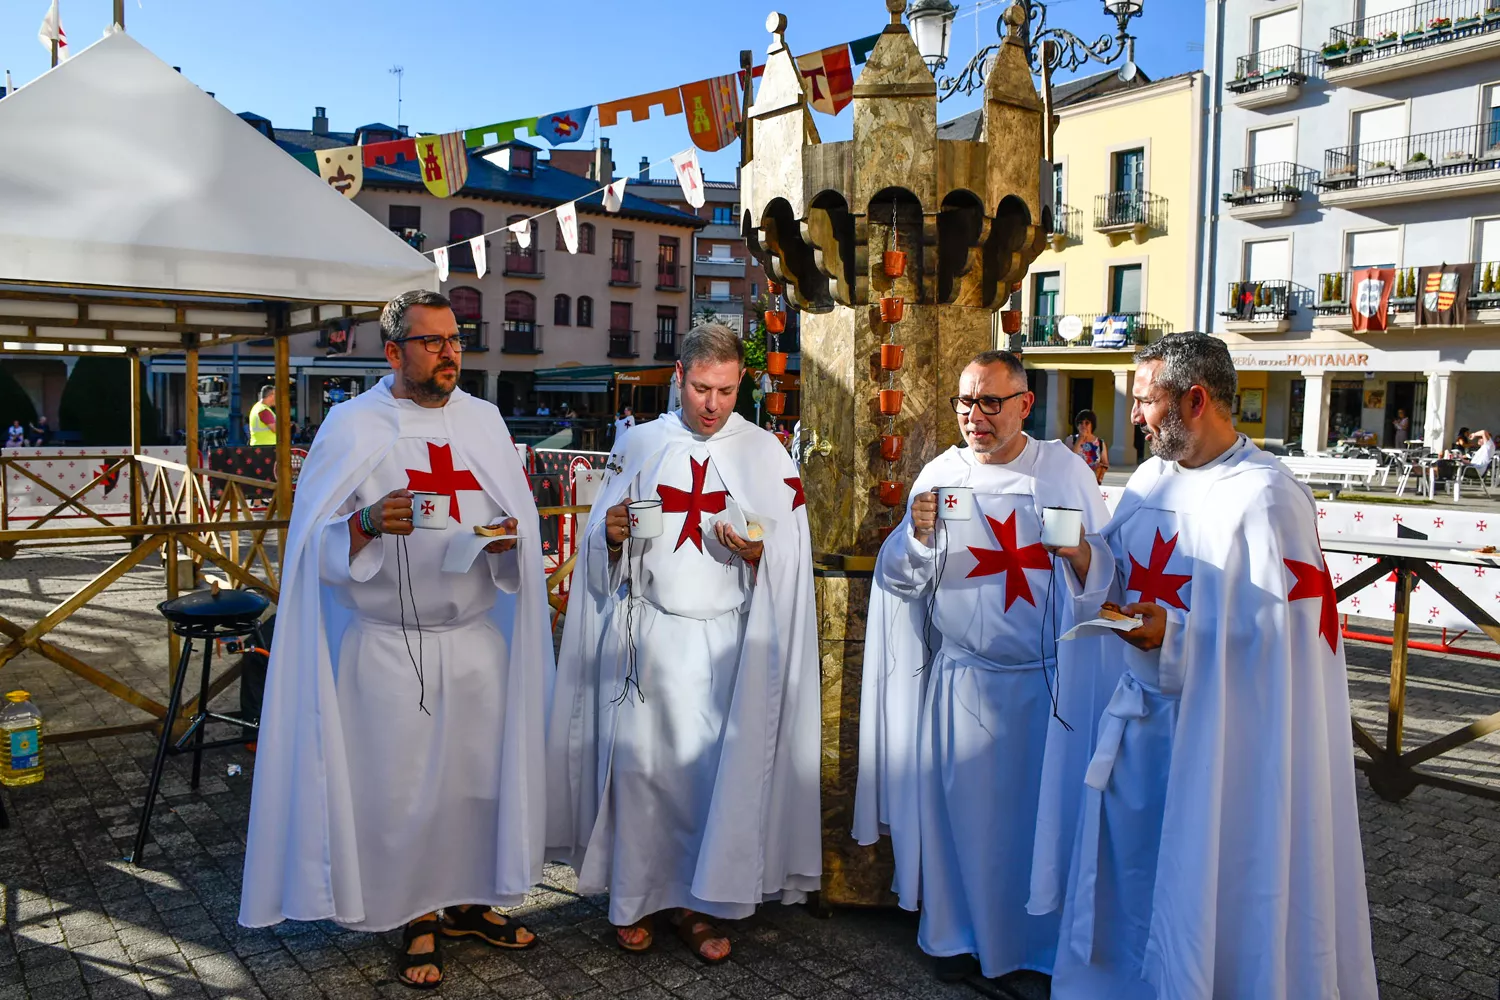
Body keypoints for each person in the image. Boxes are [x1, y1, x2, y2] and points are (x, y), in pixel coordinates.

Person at [1041, 333, 1377, 999]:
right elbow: (1121, 567)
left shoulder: (1266, 499)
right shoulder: (1150, 478)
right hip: (1140, 734)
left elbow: (1283, 644)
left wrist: (1180, 635)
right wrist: (1085, 558)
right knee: (1130, 878)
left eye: (1146, 400)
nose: (1135, 414)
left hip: (1222, 749)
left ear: (1195, 400)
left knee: (1202, 884)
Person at [240, 289, 554, 990]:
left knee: (475, 785)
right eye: (433, 342)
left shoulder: (484, 420)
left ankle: (471, 902)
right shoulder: (355, 426)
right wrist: (367, 524)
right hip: (387, 646)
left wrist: (510, 541)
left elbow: (519, 524)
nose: (450, 353)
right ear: (393, 351)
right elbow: (311, 549)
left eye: (455, 340)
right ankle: (413, 914)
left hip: (473, 642)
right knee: (401, 791)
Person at [547, 323, 820, 964]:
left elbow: (792, 556)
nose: (712, 404)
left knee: (704, 779)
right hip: (649, 637)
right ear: (679, 376)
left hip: (726, 646)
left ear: (741, 384)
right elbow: (596, 550)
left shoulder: (766, 455)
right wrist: (609, 538)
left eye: (725, 391)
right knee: (642, 780)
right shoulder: (638, 444)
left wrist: (762, 553)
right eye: (701, 388)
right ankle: (636, 899)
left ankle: (697, 904)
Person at [856, 350, 1114, 982]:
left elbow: (1109, 575)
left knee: (1033, 827)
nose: (974, 416)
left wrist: (1080, 552)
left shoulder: (1064, 471)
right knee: (964, 821)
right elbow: (899, 582)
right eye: (965, 402)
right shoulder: (941, 473)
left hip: (1043, 688)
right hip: (964, 682)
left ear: (1024, 404)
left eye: (990, 403)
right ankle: (955, 937)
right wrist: (914, 537)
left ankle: (1036, 950)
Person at [1064, 409, 1109, 485]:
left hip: (1092, 482)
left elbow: (1105, 463)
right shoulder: (1071, 440)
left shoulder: (1100, 443)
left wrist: (1100, 469)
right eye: (1080, 423)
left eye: (1087, 423)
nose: (1083, 426)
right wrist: (1080, 439)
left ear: (1092, 425)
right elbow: (1069, 459)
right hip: (1074, 482)